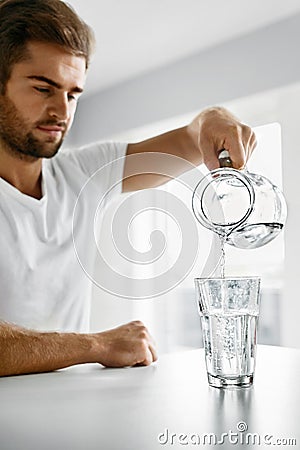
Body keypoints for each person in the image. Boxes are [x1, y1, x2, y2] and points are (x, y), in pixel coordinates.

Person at [0, 0, 256, 376]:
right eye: (43, 88)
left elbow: (191, 138)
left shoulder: (82, 172)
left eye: (73, 94)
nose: (62, 112)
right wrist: (98, 345)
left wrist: (215, 117)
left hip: (69, 416)